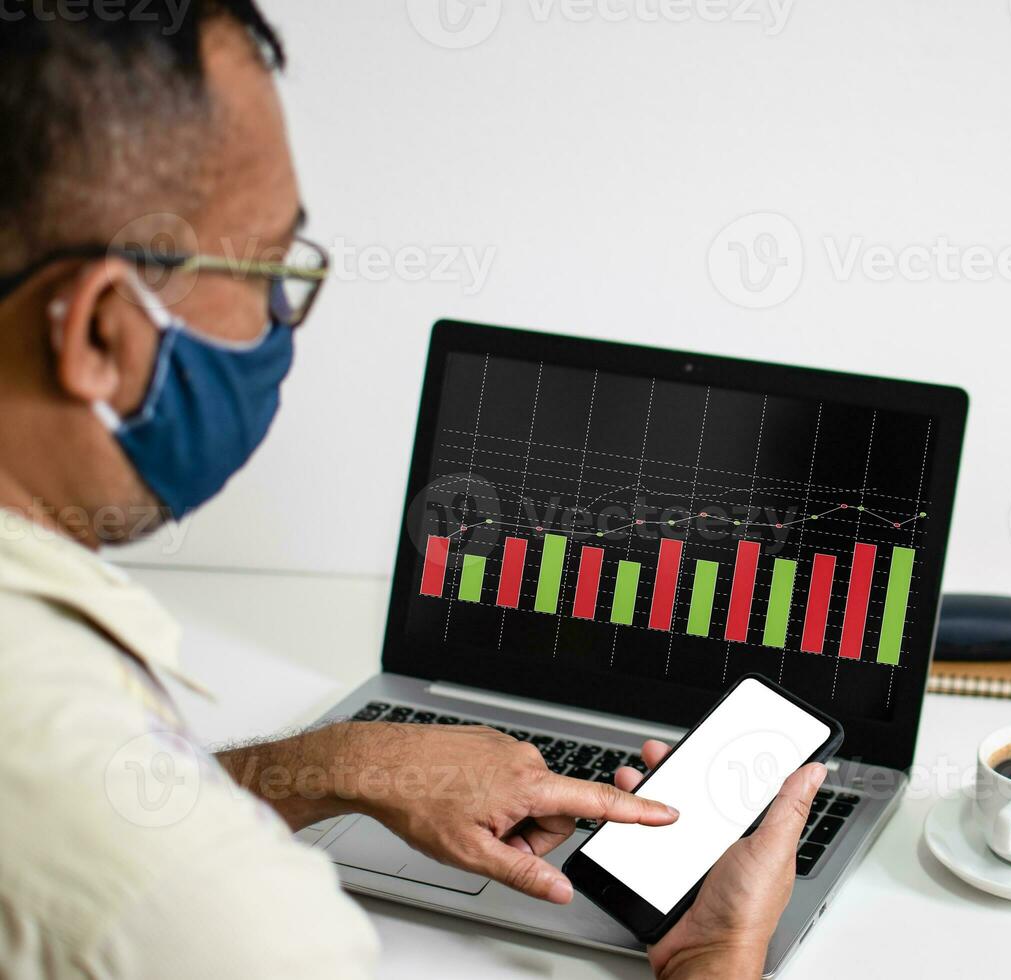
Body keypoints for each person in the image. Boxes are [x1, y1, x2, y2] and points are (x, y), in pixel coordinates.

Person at [0, 4, 821, 977]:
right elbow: (125, 849)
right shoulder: (211, 912)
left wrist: (330, 763)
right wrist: (717, 952)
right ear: (100, 330)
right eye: (266, 267)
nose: (279, 316)